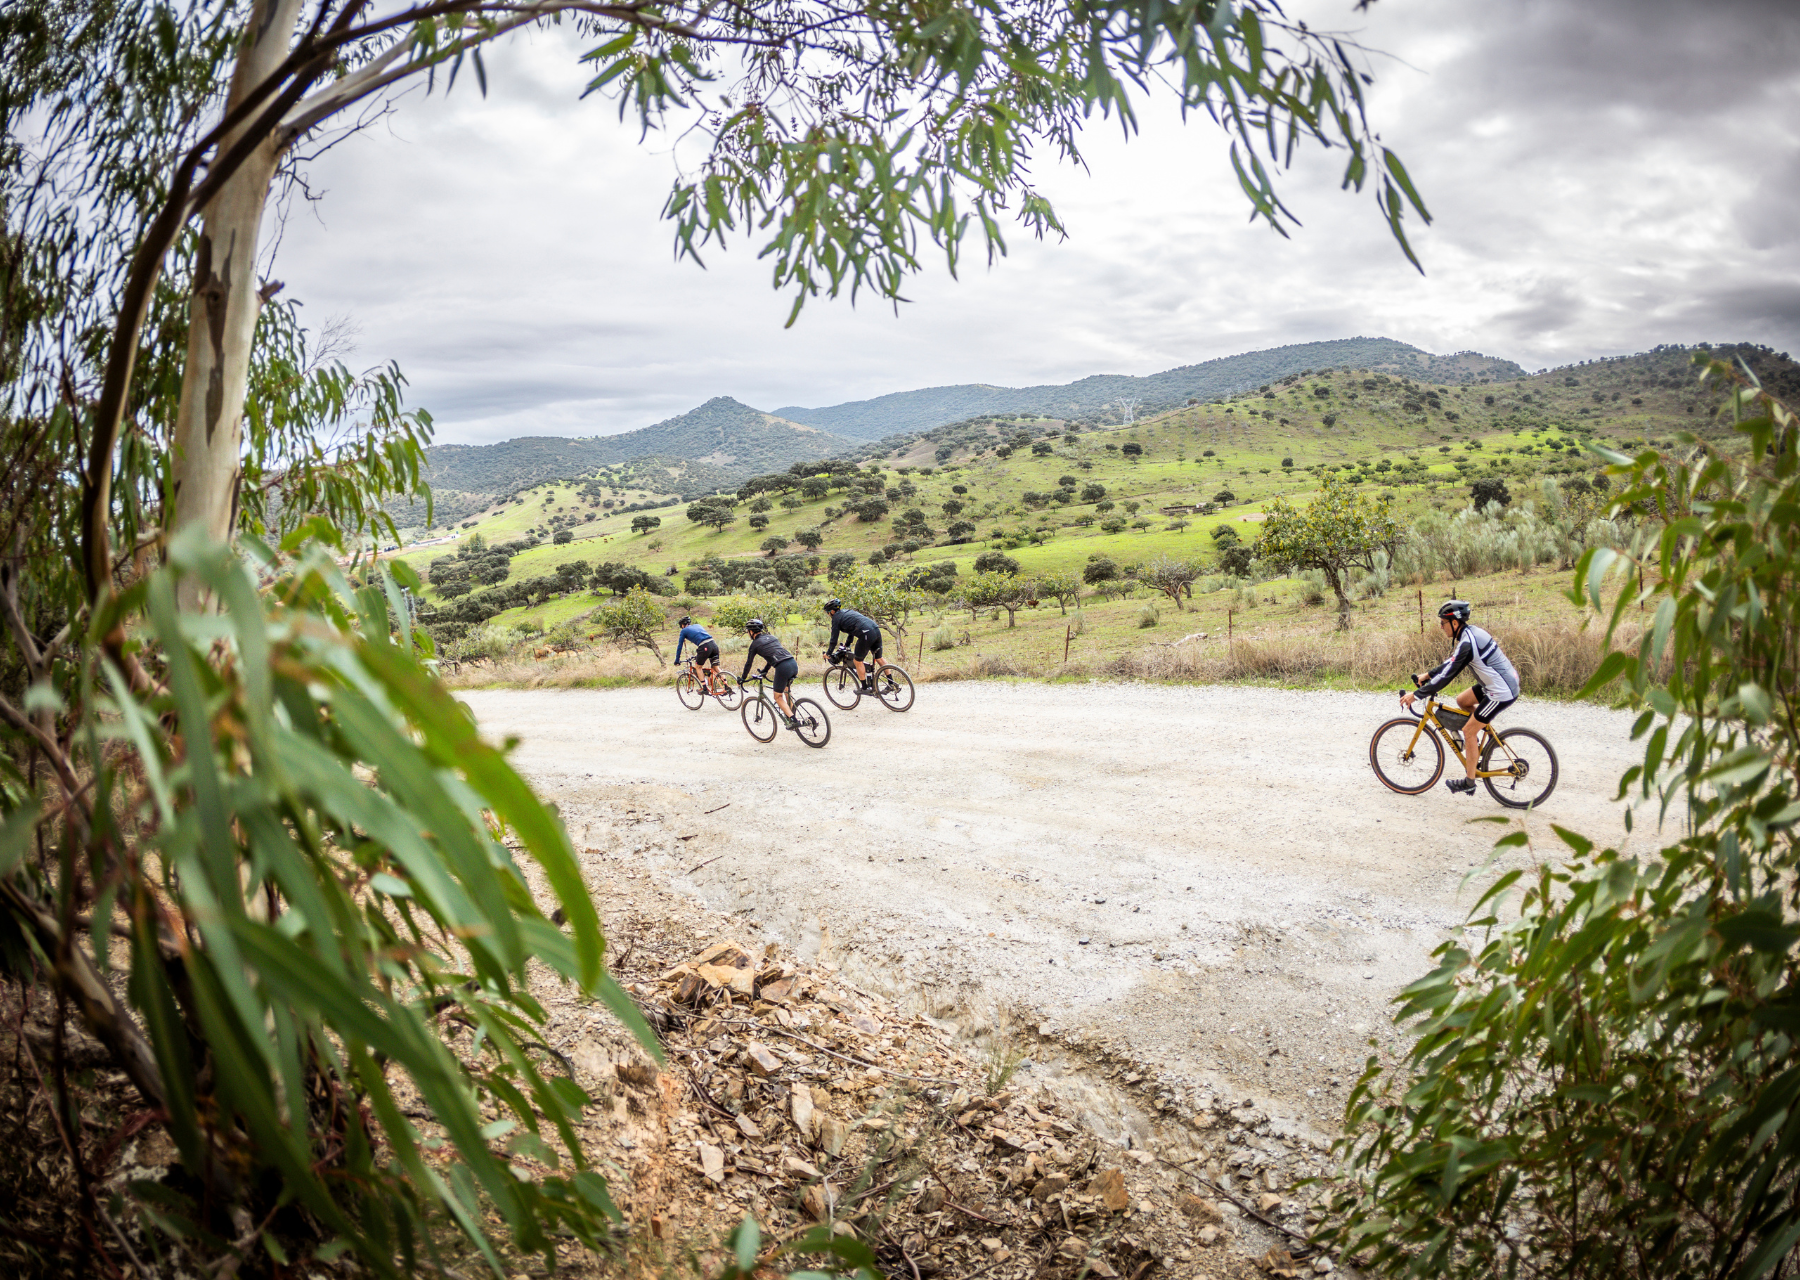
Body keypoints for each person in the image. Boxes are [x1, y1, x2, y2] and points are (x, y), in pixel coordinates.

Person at [1401, 600, 1521, 795]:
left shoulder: (1467, 642)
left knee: (1469, 731)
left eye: (1443, 623)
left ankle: (1470, 781)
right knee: (1462, 701)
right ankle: (1484, 734)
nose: (1441, 627)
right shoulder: (1469, 634)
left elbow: (1447, 676)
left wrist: (1415, 695)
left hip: (1501, 691)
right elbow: (1452, 662)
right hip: (1498, 683)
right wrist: (1428, 675)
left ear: (1455, 623)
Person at [741, 618, 800, 726]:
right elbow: (773, 657)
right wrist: (765, 671)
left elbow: (748, 663)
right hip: (793, 663)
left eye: (748, 631)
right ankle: (791, 714)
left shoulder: (755, 644)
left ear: (751, 631)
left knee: (777, 696)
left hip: (783, 667)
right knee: (786, 690)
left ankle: (794, 721)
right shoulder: (772, 637)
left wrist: (743, 678)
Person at [823, 598, 883, 692]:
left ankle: (864, 688)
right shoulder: (847, 613)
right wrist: (847, 644)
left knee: (857, 661)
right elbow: (851, 631)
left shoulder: (836, 618)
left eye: (828, 612)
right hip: (875, 629)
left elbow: (834, 639)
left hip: (865, 633)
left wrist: (828, 653)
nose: (828, 614)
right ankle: (892, 685)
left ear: (832, 611)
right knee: (879, 658)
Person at [674, 615, 724, 695]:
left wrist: (677, 660)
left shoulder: (683, 631)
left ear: (683, 625)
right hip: (713, 644)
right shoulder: (698, 625)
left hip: (704, 646)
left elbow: (680, 646)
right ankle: (727, 687)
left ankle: (704, 688)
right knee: (716, 668)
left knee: (698, 667)